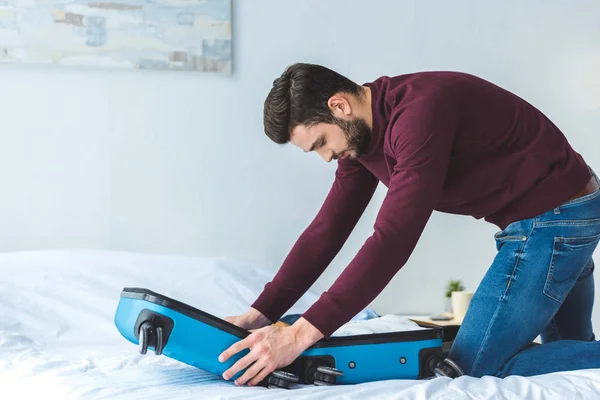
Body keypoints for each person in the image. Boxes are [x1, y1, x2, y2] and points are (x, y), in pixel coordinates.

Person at [217, 63, 600, 386]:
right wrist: (261, 314)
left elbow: (393, 239)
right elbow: (327, 231)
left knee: (471, 369)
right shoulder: (361, 141)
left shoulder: (419, 112)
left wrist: (301, 333)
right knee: (575, 355)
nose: (325, 157)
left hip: (553, 220)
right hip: (557, 215)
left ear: (339, 106)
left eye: (320, 143)